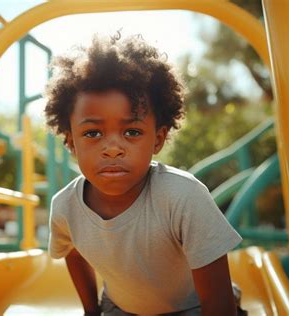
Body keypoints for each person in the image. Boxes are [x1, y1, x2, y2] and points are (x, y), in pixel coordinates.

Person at [45, 33, 243, 316]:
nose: (112, 148)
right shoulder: (65, 207)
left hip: (195, 308)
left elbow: (218, 302)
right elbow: (74, 253)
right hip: (121, 308)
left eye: (132, 132)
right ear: (71, 142)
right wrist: (91, 310)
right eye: (92, 133)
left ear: (158, 139)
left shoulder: (183, 197)